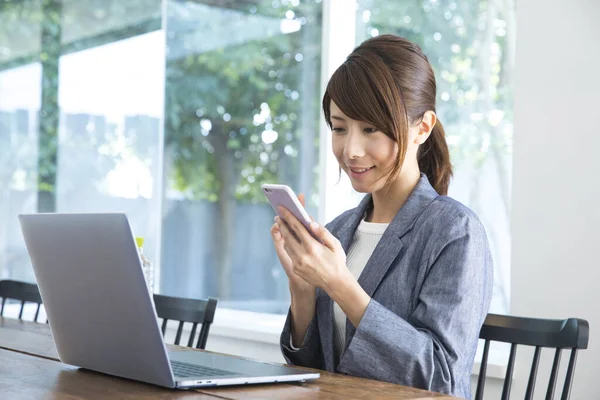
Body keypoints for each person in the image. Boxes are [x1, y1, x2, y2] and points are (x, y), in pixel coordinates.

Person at [270, 34, 493, 398]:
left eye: (370, 128)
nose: (351, 150)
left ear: (422, 127)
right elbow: (314, 373)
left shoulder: (455, 232)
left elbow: (439, 380)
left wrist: (341, 284)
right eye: (339, 128)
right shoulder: (338, 231)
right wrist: (303, 290)